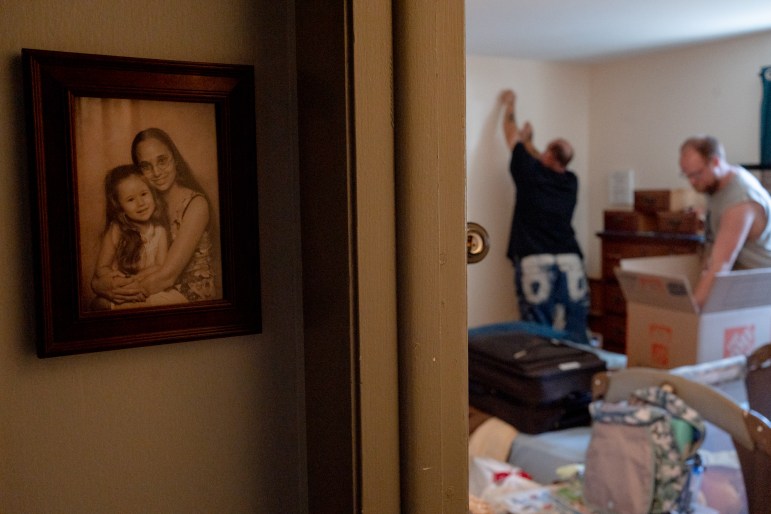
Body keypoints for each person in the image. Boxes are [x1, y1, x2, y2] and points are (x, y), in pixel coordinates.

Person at [499, 89, 590, 345]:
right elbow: (544, 158)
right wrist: (531, 142)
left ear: (548, 155)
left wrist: (510, 106)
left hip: (535, 260)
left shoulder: (529, 172)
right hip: (570, 261)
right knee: (574, 333)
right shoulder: (571, 181)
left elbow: (511, 136)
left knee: (538, 335)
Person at [91, 127, 217, 305]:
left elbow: (167, 276)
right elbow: (102, 273)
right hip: (156, 288)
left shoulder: (196, 205)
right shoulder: (145, 205)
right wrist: (99, 284)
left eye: (162, 161)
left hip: (190, 295)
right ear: (138, 172)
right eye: (146, 166)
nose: (157, 172)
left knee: (101, 305)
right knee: (99, 304)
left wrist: (111, 291)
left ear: (175, 159)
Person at [679, 135, 771, 309]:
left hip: (761, 291)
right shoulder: (716, 185)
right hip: (741, 283)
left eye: (696, 174)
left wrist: (690, 313)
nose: (692, 182)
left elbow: (720, 265)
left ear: (715, 162)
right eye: (687, 175)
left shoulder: (739, 200)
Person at [90, 164, 186, 310]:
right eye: (130, 199)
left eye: (144, 194)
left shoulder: (159, 231)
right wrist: (117, 281)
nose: (140, 203)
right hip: (122, 288)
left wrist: (137, 279)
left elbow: (160, 265)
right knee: (99, 304)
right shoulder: (116, 230)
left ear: (153, 194)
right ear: (119, 206)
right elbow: (101, 268)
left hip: (152, 288)